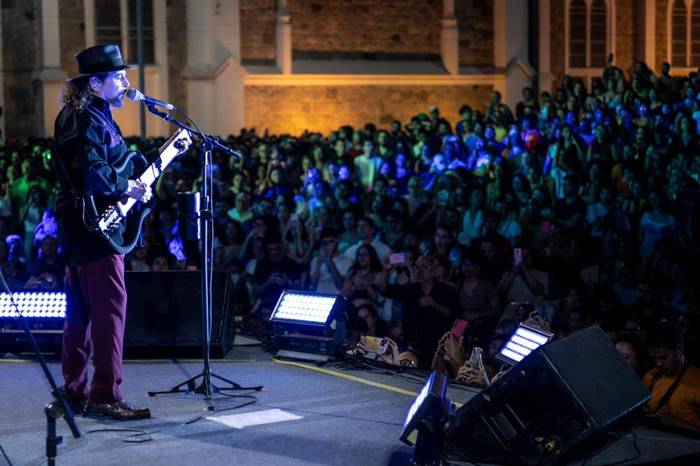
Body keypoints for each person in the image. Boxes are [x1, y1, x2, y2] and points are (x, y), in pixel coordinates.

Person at [53, 45, 189, 420]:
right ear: (95, 84)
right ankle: (104, 395)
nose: (127, 83)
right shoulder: (88, 120)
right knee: (110, 311)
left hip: (78, 224)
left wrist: (134, 179)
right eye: (118, 77)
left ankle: (75, 392)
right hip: (93, 229)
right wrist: (128, 186)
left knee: (79, 314)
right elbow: (94, 173)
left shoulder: (83, 114)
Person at [643, 321, 700, 429]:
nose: (658, 364)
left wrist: (678, 424)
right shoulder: (649, 376)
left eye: (663, 357)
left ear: (679, 351)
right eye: (654, 358)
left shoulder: (697, 382)